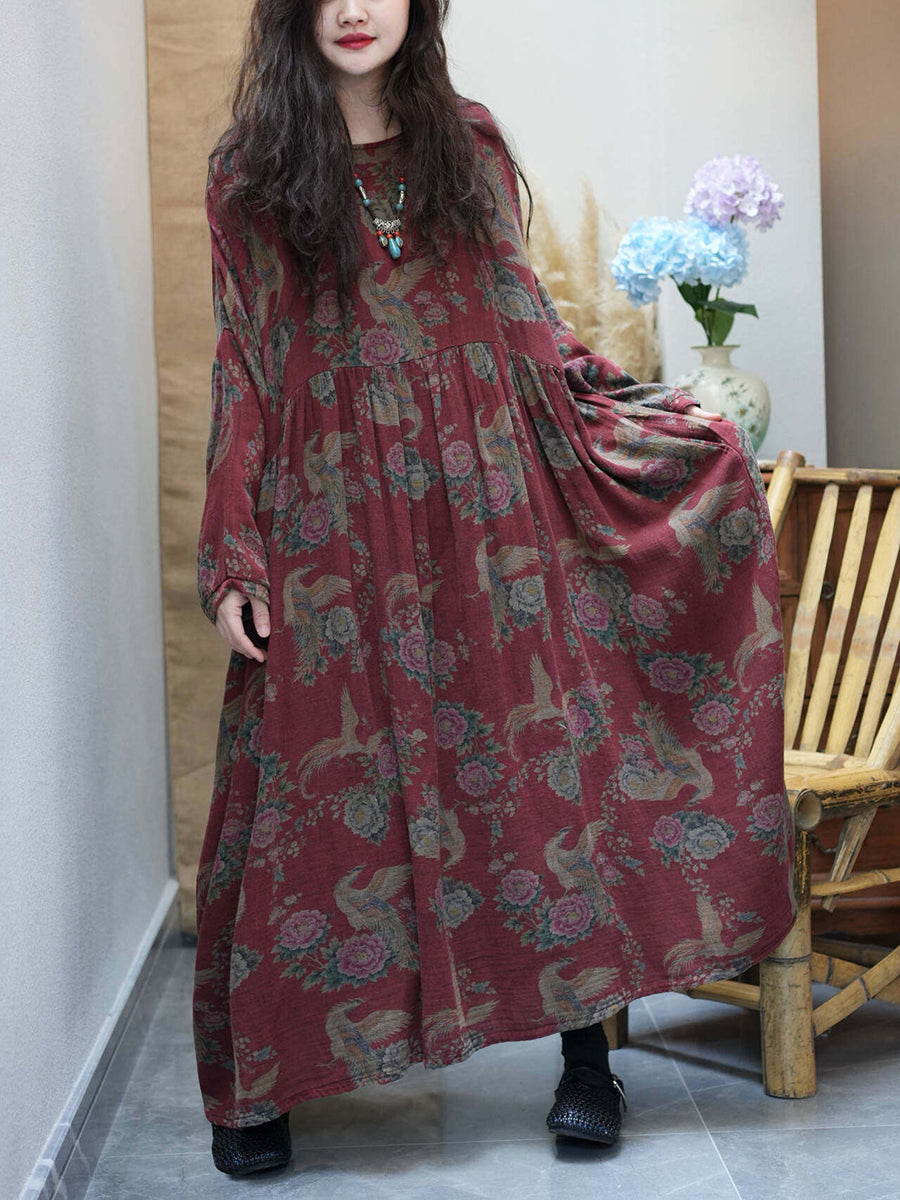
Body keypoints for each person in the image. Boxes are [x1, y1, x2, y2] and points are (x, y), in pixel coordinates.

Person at [194, 0, 798, 1176]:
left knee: (538, 769)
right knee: (316, 782)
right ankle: (265, 1079)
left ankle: (587, 1064)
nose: (355, 9)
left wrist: (647, 420)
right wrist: (234, 554)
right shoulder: (250, 172)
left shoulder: (464, 143)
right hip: (330, 516)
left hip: (488, 507)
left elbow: (525, 330)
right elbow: (246, 365)